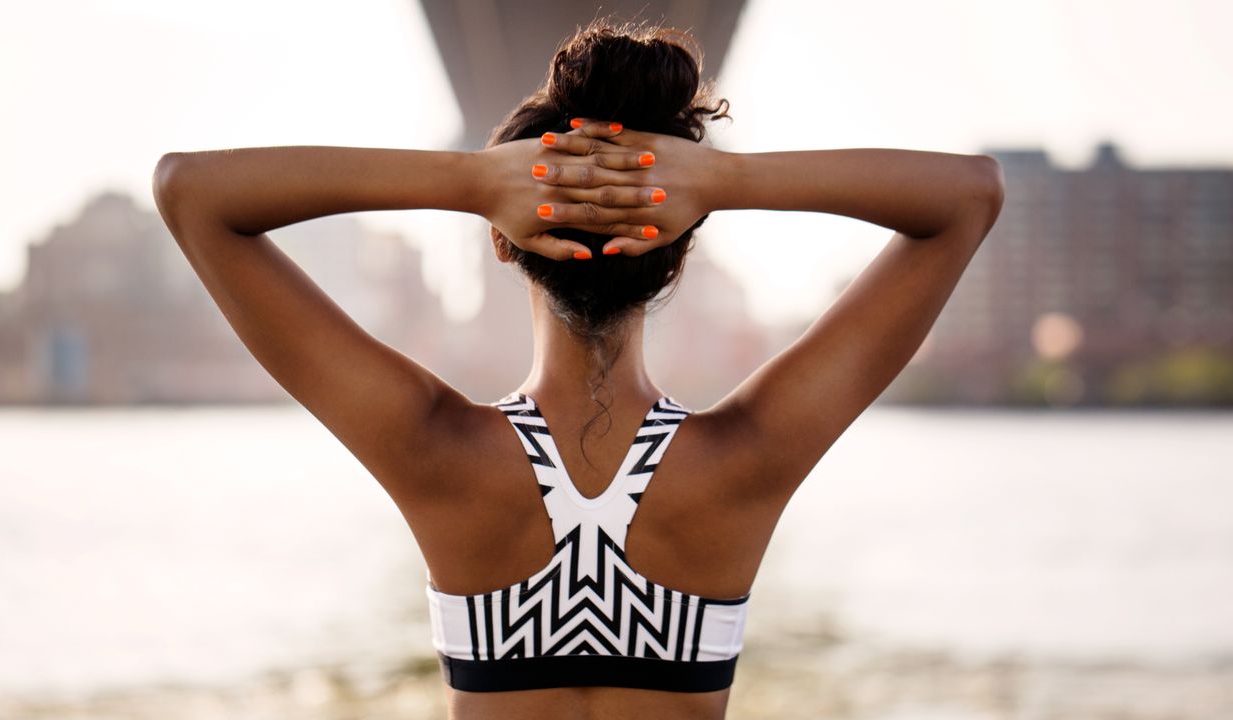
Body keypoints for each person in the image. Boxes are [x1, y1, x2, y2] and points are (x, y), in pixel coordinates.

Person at [152, 17, 1004, 720]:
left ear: (499, 241)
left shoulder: (434, 452)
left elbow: (191, 192)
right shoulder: (745, 462)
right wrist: (723, 179)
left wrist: (475, 180)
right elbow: (967, 196)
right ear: (678, 257)